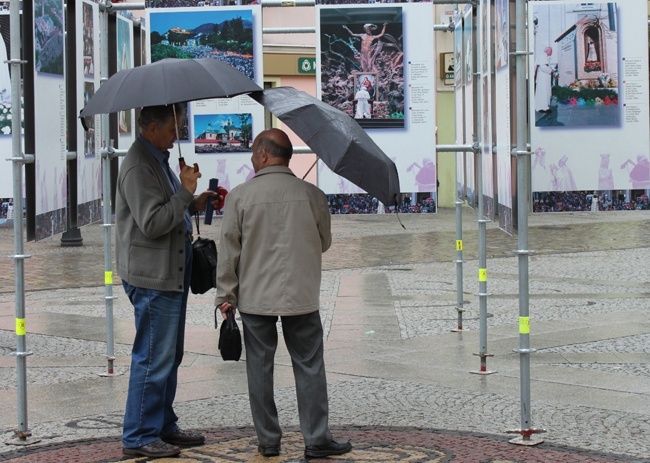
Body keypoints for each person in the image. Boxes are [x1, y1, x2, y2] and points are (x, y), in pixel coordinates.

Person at [215, 128, 352, 459]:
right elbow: (324, 243)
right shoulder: (313, 194)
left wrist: (226, 295)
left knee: (260, 367)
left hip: (255, 297)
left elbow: (229, 250)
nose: (251, 158)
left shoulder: (240, 196)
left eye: (252, 153)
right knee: (309, 364)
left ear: (263, 154)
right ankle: (317, 438)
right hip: (301, 295)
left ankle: (268, 440)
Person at [115, 103, 225, 459]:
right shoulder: (137, 165)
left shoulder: (157, 158)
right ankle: (139, 435)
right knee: (153, 356)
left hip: (169, 273)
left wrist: (193, 201)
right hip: (152, 276)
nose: (176, 133)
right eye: (172, 127)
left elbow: (169, 209)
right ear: (150, 127)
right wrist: (184, 191)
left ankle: (163, 424)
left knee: (169, 354)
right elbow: (152, 222)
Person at [534, 46, 554, 113]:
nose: (551, 52)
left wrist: (551, 69)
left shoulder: (544, 56)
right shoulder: (543, 56)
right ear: (547, 50)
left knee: (543, 92)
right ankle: (543, 107)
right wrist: (551, 70)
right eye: (551, 51)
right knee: (543, 92)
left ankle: (543, 107)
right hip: (543, 78)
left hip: (543, 77)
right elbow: (543, 67)